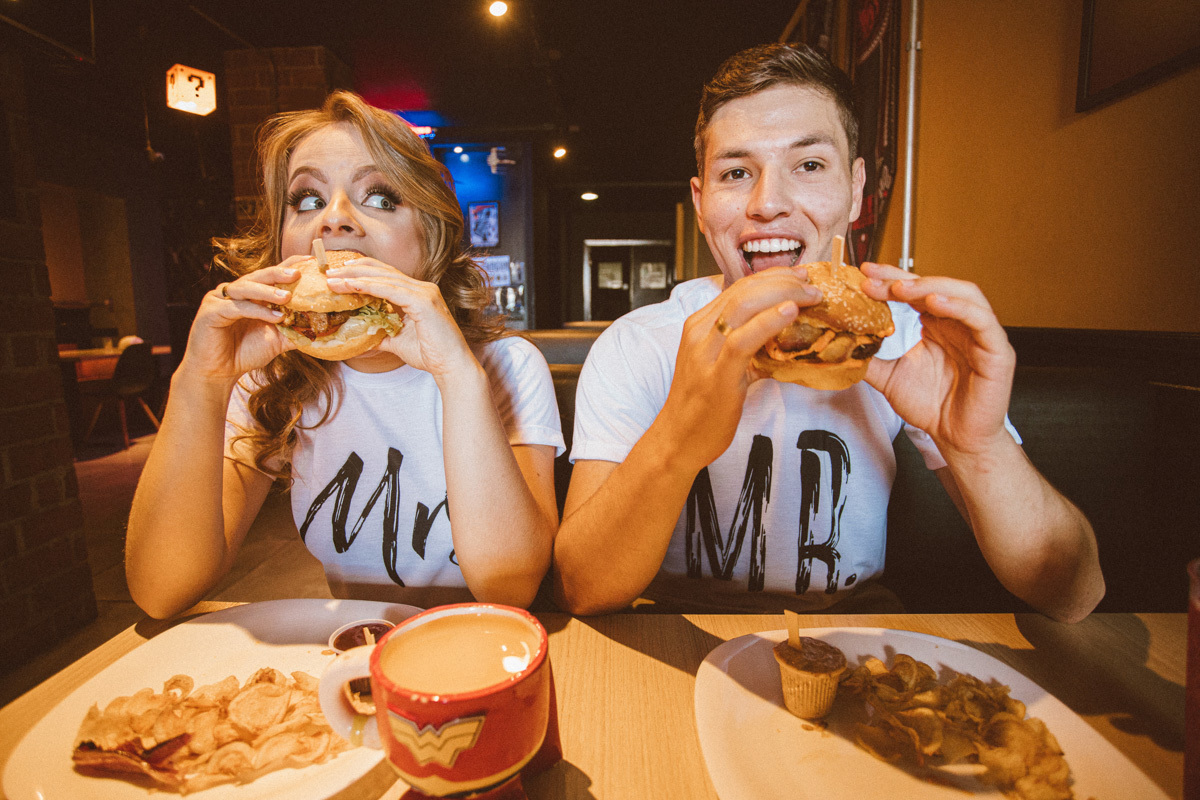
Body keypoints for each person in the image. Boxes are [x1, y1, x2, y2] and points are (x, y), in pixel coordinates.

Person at [552, 44, 1104, 622]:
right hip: (672, 641)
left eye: (809, 165)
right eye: (736, 173)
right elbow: (579, 590)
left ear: (855, 187)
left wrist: (976, 445)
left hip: (851, 644)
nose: (768, 203)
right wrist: (677, 437)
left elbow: (1073, 592)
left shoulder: (903, 341)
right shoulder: (640, 344)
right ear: (701, 201)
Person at [126, 92, 563, 619]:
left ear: (435, 239)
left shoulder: (507, 366)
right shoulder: (275, 377)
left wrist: (456, 377)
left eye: (380, 196)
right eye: (307, 200)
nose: (333, 219)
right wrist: (201, 381)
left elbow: (509, 588)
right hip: (354, 661)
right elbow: (160, 588)